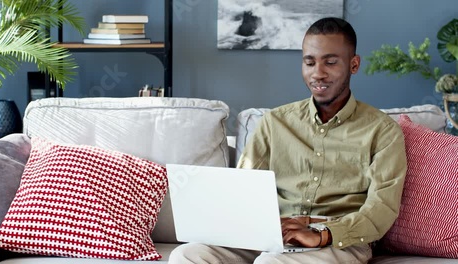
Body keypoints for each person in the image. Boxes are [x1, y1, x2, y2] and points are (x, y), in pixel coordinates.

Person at [168, 17, 407, 264]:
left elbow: (381, 209)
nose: (318, 74)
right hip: (272, 231)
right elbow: (243, 192)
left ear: (354, 64)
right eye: (309, 62)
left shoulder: (383, 131)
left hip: (338, 240)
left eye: (331, 62)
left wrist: (322, 234)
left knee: (270, 263)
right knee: (188, 254)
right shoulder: (275, 122)